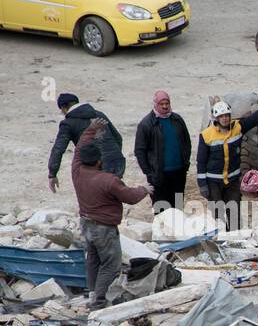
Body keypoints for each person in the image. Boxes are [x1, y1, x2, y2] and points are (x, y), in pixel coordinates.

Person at [71, 120, 151, 309]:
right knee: (110, 264)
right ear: (99, 161)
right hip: (103, 228)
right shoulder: (108, 180)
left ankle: (92, 293)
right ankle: (99, 301)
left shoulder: (77, 171)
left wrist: (90, 129)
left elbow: (78, 149)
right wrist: (144, 189)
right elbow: (130, 197)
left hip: (86, 223)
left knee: (93, 260)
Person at [197, 98, 258, 231]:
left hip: (232, 181)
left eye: (227, 115)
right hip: (213, 182)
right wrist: (202, 184)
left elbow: (255, 118)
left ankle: (234, 238)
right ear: (216, 118)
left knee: (234, 213)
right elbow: (201, 161)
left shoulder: (237, 128)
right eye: (221, 116)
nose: (225, 119)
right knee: (218, 214)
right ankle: (220, 238)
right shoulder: (206, 135)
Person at [49, 94, 125, 193]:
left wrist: (52, 174)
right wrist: (114, 156)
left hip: (96, 165)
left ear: (63, 108)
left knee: (98, 199)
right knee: (112, 194)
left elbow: (58, 149)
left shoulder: (68, 123)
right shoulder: (99, 114)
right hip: (117, 162)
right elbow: (118, 138)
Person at [134, 90, 192, 213]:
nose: (165, 106)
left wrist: (185, 163)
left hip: (178, 174)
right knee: (161, 211)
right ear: (155, 104)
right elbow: (139, 151)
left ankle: (177, 232)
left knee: (177, 209)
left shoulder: (177, 120)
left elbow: (186, 142)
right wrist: (149, 173)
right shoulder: (146, 124)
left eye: (167, 103)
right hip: (158, 176)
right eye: (162, 104)